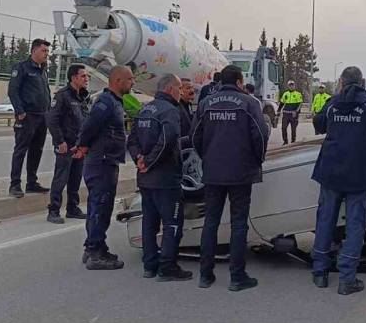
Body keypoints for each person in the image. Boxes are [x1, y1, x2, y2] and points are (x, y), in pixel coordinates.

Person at [311, 66, 366, 295]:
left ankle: (319, 273)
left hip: (330, 171)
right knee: (355, 224)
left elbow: (318, 125)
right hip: (359, 173)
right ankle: (347, 279)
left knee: (325, 220)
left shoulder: (333, 104)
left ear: (341, 82)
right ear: (362, 82)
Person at [192, 64, 270, 291]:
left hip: (213, 172)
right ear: (238, 82)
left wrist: (206, 157)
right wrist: (257, 160)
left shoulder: (206, 103)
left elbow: (195, 136)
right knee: (238, 224)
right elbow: (261, 136)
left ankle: (205, 275)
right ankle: (237, 277)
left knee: (210, 223)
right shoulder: (249, 103)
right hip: (241, 173)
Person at [127, 74, 192, 282]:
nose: (181, 92)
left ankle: (150, 265)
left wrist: (140, 159)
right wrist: (149, 160)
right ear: (171, 88)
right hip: (165, 178)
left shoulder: (145, 109)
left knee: (149, 222)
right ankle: (167, 266)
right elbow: (168, 139)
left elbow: (132, 140)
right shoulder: (170, 110)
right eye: (180, 88)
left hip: (145, 179)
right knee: (172, 223)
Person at [73, 65, 134, 270]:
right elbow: (90, 125)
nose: (133, 83)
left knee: (99, 207)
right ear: (118, 81)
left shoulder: (115, 102)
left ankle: (93, 248)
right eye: (130, 79)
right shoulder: (106, 102)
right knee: (101, 207)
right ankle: (95, 253)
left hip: (107, 161)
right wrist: (82, 145)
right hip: (102, 163)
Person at [44, 63, 89, 223]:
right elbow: (51, 119)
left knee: (75, 178)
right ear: (73, 77)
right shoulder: (63, 96)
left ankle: (72, 208)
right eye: (83, 76)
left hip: (79, 146)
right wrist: (59, 141)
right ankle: (54, 210)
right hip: (66, 145)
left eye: (86, 76)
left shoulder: (83, 96)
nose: (86, 79)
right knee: (61, 178)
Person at [7, 38, 52, 198]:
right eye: (44, 51)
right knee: (21, 150)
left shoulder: (43, 69)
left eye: (47, 51)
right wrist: (20, 111)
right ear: (34, 51)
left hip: (42, 116)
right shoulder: (22, 68)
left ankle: (32, 183)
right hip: (27, 116)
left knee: (36, 150)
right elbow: (13, 91)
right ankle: (15, 184)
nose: (47, 54)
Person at [279, 80, 303, 144]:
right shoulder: (285, 94)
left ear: (294, 86)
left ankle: (293, 141)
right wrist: (278, 110)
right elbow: (282, 103)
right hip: (286, 114)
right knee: (283, 128)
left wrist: (296, 112)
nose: (291, 86)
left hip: (293, 114)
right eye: (290, 85)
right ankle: (285, 141)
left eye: (292, 85)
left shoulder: (298, 94)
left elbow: (300, 104)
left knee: (293, 129)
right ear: (288, 86)